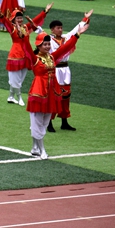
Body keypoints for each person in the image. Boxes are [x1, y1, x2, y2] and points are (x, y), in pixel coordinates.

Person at [24, 26, 87, 159]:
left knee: (44, 122)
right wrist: (24, 36)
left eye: (48, 44)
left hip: (52, 93)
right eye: (44, 44)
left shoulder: (52, 57)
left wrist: (77, 35)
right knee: (37, 122)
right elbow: (27, 48)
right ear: (38, 46)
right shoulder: (35, 58)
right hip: (38, 93)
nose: (47, 47)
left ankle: (35, 147)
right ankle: (42, 150)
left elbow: (65, 48)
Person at [0, 4, 51, 106]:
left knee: (19, 79)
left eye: (21, 18)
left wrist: (45, 11)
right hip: (15, 56)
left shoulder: (25, 27)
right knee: (15, 80)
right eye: (18, 18)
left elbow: (35, 20)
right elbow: (6, 22)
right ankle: (19, 97)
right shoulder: (12, 28)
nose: (20, 20)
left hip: (26, 55)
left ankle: (11, 96)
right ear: (13, 19)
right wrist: (1, 15)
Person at [47, 12, 91, 132]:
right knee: (54, 96)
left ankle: (64, 121)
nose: (60, 30)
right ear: (52, 29)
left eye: (61, 28)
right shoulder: (48, 40)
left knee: (66, 96)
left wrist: (86, 18)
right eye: (58, 28)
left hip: (65, 70)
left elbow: (76, 29)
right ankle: (49, 122)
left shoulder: (66, 37)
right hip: (54, 69)